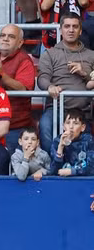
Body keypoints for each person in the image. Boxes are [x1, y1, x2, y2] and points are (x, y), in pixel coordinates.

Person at [36, 14, 94, 154]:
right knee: (45, 125)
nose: (71, 30)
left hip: (83, 110)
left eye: (75, 26)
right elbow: (42, 77)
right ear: (61, 30)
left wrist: (84, 73)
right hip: (56, 107)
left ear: (80, 31)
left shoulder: (91, 55)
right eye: (67, 26)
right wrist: (50, 87)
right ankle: (52, 164)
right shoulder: (50, 54)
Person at [0, 24, 37, 153]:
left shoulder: (24, 61)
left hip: (14, 127)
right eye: (2, 36)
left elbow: (22, 88)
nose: (5, 39)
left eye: (11, 37)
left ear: (20, 42)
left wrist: (0, 74)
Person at [50, 109, 94, 177]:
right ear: (64, 126)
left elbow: (92, 168)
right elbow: (53, 171)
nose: (71, 127)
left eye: (75, 123)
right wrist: (60, 147)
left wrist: (72, 171)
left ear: (83, 127)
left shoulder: (88, 140)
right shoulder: (57, 141)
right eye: (68, 123)